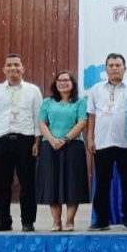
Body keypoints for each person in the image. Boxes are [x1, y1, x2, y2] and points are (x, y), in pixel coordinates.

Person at [0, 53, 43, 232]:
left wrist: (38, 141)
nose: (13, 68)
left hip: (26, 140)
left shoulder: (33, 90)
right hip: (1, 141)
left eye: (16, 65)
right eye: (9, 65)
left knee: (28, 183)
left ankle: (28, 221)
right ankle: (3, 221)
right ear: (4, 70)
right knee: (1, 184)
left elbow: (39, 118)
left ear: (23, 69)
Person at [86, 53, 127, 231]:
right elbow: (91, 115)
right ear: (106, 68)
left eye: (118, 65)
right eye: (111, 65)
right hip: (102, 142)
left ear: (125, 68)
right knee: (102, 183)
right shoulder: (96, 89)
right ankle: (101, 220)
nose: (115, 68)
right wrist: (90, 138)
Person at [36, 71, 89, 232]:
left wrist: (65, 139)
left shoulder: (80, 102)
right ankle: (56, 222)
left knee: (73, 184)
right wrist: (52, 140)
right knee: (53, 184)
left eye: (66, 80)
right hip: (50, 146)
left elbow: (82, 122)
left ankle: (69, 221)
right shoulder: (47, 102)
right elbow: (42, 123)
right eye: (59, 80)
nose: (62, 83)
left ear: (72, 83)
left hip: (73, 146)